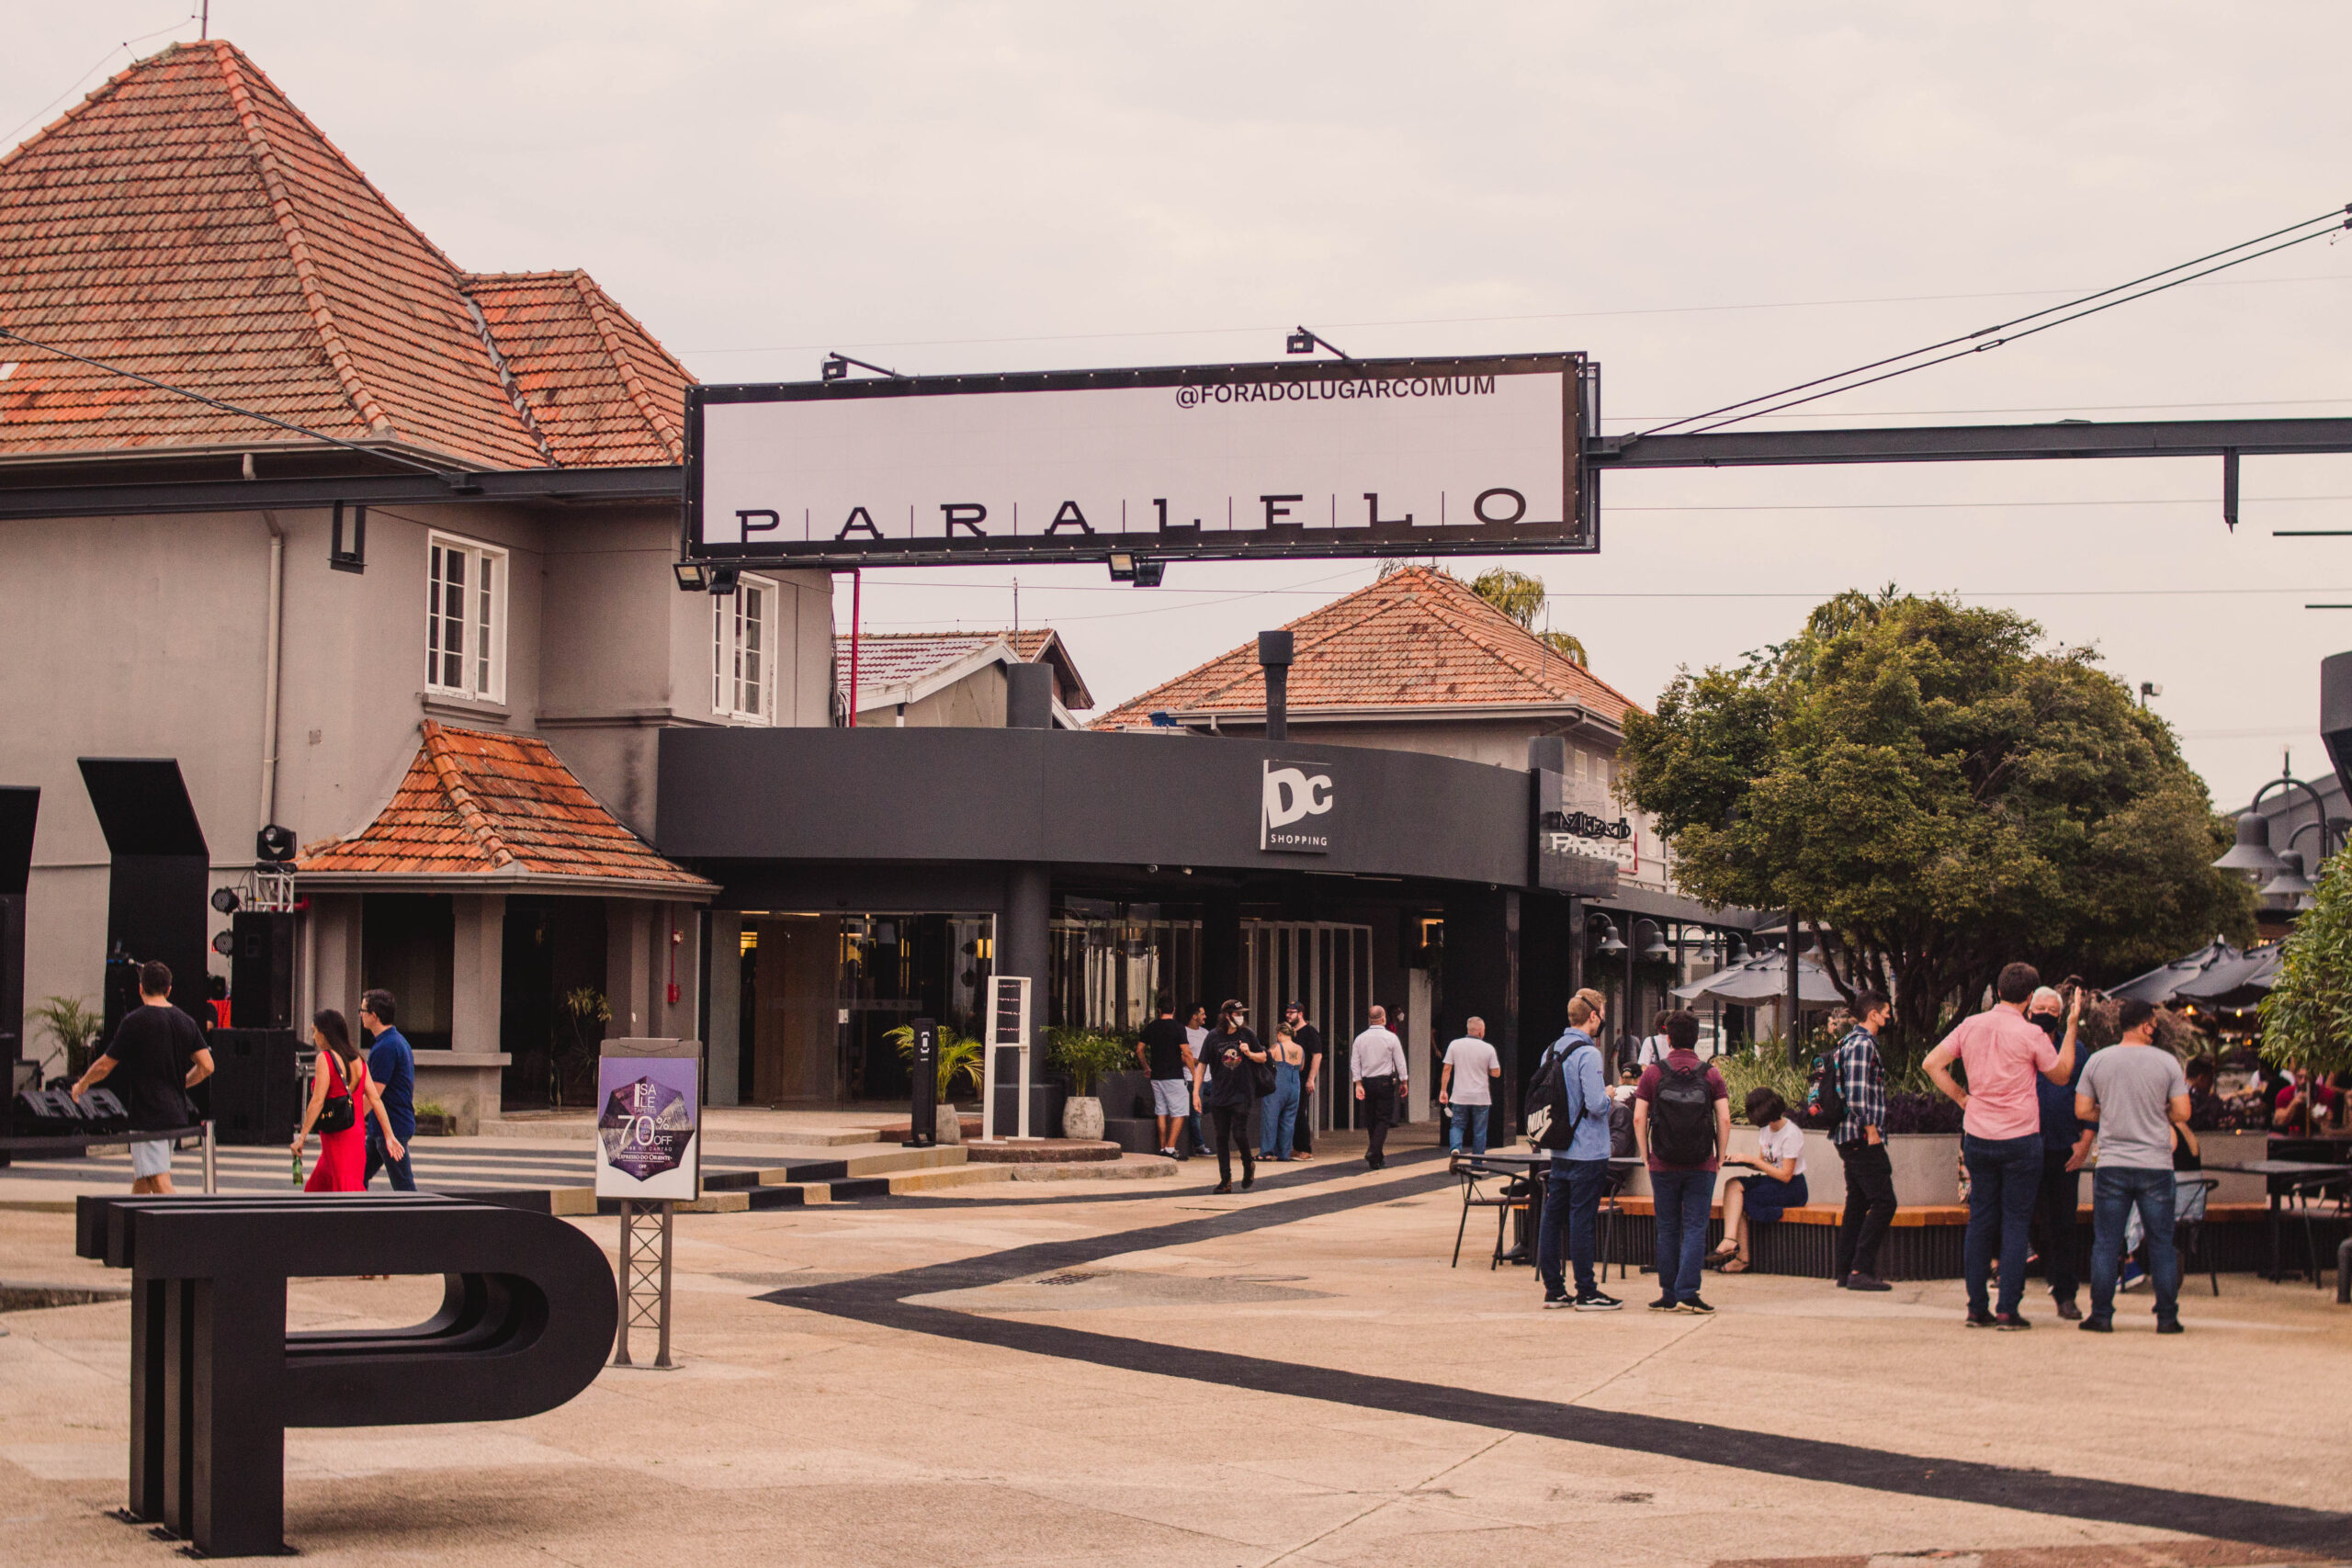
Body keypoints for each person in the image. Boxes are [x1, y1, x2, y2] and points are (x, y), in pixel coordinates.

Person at [1924, 963, 2079, 1329]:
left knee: (1980, 1222)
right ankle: (2008, 1308)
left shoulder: (1971, 1025)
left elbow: (1932, 1063)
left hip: (1978, 1135)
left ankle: (1977, 1307)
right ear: (2029, 998)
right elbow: (2060, 1075)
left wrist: (1963, 1097)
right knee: (2015, 1223)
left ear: (1996, 990)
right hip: (2021, 1138)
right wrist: (2071, 1029)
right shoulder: (2030, 1035)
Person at [2075, 996, 2190, 1334]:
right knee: (2161, 1243)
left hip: (2112, 1163)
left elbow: (2082, 1110)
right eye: (2154, 1023)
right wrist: (2158, 1114)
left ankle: (2101, 1314)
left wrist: (2109, 1113)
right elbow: (2183, 1113)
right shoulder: (2167, 1063)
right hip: (2156, 1163)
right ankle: (2167, 1317)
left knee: (2107, 1243)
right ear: (2145, 1025)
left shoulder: (2098, 1061)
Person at [70, 960, 214, 1194]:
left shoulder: (135, 1021)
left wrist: (83, 1083)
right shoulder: (186, 1021)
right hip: (175, 1111)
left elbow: (105, 1065)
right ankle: (131, 1228)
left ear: (140, 988)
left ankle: (182, 1227)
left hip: (148, 1114)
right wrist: (182, 1084)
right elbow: (207, 1066)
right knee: (145, 1176)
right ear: (169, 989)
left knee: (158, 1179)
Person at [1634, 1010, 1730, 1314]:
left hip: (1662, 1161)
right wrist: (1720, 1155)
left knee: (1666, 1228)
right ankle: (1689, 1291)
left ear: (1668, 1038)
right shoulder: (1710, 1074)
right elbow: (1724, 1118)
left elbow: (1639, 1116)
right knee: (1695, 1227)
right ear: (1697, 1038)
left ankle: (1668, 1292)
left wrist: (1645, 1154)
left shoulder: (1653, 1073)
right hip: (1701, 1163)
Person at [1535, 988, 1621, 1311]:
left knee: (1552, 1217)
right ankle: (1587, 1291)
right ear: (1594, 1016)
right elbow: (1597, 1105)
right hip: (1588, 1149)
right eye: (1602, 1013)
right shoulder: (1588, 1054)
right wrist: (1611, 1093)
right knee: (1582, 1220)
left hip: (1559, 1147)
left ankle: (1554, 1290)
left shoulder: (1551, 1050)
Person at [2027, 986, 2095, 1320]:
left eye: (2052, 1011)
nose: (2045, 1015)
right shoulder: (2020, 1044)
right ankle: (2008, 1289)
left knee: (2063, 1224)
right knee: (2017, 1221)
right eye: (2039, 1008)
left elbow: (2088, 1097)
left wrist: (2086, 1141)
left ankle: (2065, 1293)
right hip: (2023, 1147)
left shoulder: (2076, 1050)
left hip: (2063, 1149)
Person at [292, 1008, 405, 1193]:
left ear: (325, 1032)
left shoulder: (325, 1058)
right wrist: (389, 1135)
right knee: (323, 1187)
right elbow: (376, 1099)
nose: (314, 1037)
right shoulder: (358, 1060)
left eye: (315, 1031)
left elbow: (317, 1101)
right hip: (355, 1134)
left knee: (343, 1191)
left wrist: (301, 1137)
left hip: (336, 1136)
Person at [1831, 990, 1897, 1292]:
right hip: (1860, 1135)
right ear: (1873, 1014)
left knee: (1857, 1202)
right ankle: (1860, 1268)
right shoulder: (1862, 1045)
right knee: (1885, 1202)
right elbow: (1858, 1093)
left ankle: (1845, 1270)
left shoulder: (1848, 1042)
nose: (1888, 1017)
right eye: (1886, 1012)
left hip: (1849, 1135)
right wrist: (1870, 1128)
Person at [1712, 1088, 1808, 1273]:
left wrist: (1753, 1160)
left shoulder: (1792, 1134)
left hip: (1792, 1188)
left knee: (1739, 1200)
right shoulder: (1766, 1130)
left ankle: (1741, 1258)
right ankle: (1730, 1240)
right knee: (1733, 1185)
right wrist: (1742, 1161)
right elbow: (1764, 1164)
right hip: (1772, 1181)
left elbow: (1786, 1175)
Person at [1192, 999, 1266, 1193]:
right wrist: (1196, 1093)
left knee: (1239, 1132)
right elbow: (1201, 1065)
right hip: (1220, 1094)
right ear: (1227, 1016)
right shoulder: (1213, 1037)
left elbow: (1264, 1057)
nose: (1241, 1017)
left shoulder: (1247, 1034)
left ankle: (1248, 1163)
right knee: (1221, 1137)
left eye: (1242, 1013)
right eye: (1237, 1013)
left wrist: (1249, 1053)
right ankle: (1226, 1180)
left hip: (1242, 1092)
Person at [358, 988, 417, 1191]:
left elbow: (374, 1094)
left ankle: (420, 1220)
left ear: (374, 1015)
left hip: (391, 1128)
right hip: (385, 1127)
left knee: (404, 1187)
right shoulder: (396, 1041)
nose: (360, 1014)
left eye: (363, 1010)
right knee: (357, 1175)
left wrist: (353, 1119)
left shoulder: (386, 1047)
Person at [1350, 1004, 1408, 1170]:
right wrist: (1404, 1081)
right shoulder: (1391, 1038)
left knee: (1371, 1119)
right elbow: (1400, 1061)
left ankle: (1376, 1157)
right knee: (1383, 1119)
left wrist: (1358, 1083)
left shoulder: (1360, 1039)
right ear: (1383, 1018)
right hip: (1384, 1082)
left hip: (1367, 1081)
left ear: (1370, 1019)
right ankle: (1374, 1151)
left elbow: (1355, 1062)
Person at [1136, 994, 1194, 1159]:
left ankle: (1162, 1148)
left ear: (1159, 1010)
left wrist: (1146, 1067)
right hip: (1174, 1076)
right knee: (1179, 1113)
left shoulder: (1152, 1027)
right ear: (1174, 1010)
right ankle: (1170, 1149)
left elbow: (1139, 1049)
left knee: (1161, 1112)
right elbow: (1187, 1053)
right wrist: (1195, 1075)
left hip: (1156, 1076)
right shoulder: (1178, 1028)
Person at [1439, 1016, 1501, 1156]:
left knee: (1457, 1125)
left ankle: (1455, 1147)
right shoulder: (1488, 1048)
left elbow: (1447, 1069)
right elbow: (1496, 1073)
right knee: (1480, 1131)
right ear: (1480, 1031)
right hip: (1481, 1097)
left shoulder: (1455, 1044)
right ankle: (1477, 1163)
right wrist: (1487, 1069)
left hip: (1460, 1095)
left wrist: (1443, 1090)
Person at [1283, 1002, 1325, 1160]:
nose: (1288, 1015)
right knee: (1290, 1113)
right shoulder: (1289, 1033)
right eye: (1287, 1012)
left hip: (1302, 1078)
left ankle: (1305, 1149)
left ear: (1300, 1014)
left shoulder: (1310, 1032)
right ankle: (1296, 1147)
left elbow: (1317, 1055)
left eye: (1291, 1012)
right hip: (1288, 1078)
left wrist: (1311, 1079)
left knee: (1300, 1112)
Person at [1259, 1022, 1305, 1161]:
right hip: (1295, 1085)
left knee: (1270, 1119)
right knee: (1289, 1120)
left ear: (1279, 1034)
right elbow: (1301, 1067)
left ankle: (1266, 1152)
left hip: (1278, 1085)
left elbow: (1263, 1058)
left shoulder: (1277, 1047)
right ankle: (1284, 1153)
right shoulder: (1300, 1049)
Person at [1182, 1004, 1212, 1158]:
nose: (1205, 1016)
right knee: (1196, 1114)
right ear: (1194, 1016)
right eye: (1202, 1014)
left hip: (1209, 1078)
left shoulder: (1206, 1033)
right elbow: (1181, 1056)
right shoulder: (1184, 1032)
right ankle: (1200, 1146)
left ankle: (1194, 1112)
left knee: (1222, 1097)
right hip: (1192, 1078)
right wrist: (1197, 1060)